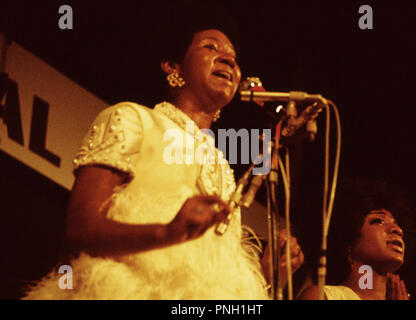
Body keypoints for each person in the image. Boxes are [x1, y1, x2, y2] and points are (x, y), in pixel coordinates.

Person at [22, 1, 303, 300]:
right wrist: (167, 233)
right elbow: (79, 230)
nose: (229, 60)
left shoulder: (223, 169)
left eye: (234, 56)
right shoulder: (133, 119)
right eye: (211, 47)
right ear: (173, 66)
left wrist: (266, 274)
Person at [299, 178, 416, 300]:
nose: (397, 230)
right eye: (379, 221)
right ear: (349, 241)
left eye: (397, 223)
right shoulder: (322, 296)